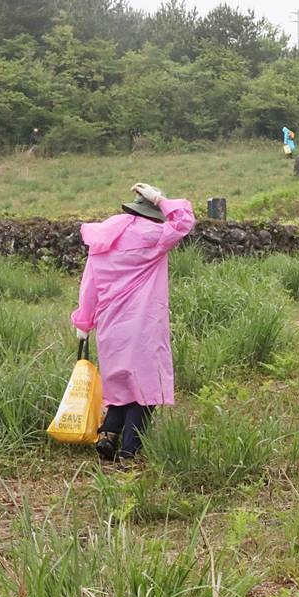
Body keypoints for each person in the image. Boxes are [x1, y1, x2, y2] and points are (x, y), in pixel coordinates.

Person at [71, 183, 196, 464]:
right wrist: (161, 199)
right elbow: (184, 222)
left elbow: (89, 284)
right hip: (144, 324)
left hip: (110, 323)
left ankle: (108, 436)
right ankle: (130, 451)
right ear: (153, 212)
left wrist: (84, 321)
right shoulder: (154, 236)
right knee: (146, 387)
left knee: (120, 385)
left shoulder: (105, 236)